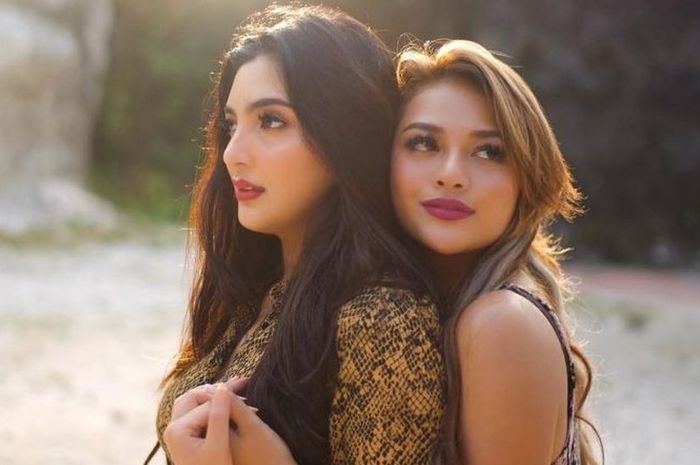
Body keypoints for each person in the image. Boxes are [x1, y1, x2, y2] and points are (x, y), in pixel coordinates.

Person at [145, 4, 445, 465]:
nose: (232, 153)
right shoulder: (254, 291)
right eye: (231, 124)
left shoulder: (383, 319)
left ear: (345, 134)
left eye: (271, 120)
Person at [390, 40, 603, 465]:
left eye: (489, 152)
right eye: (424, 143)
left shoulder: (501, 323)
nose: (451, 175)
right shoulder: (423, 311)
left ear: (526, 178)